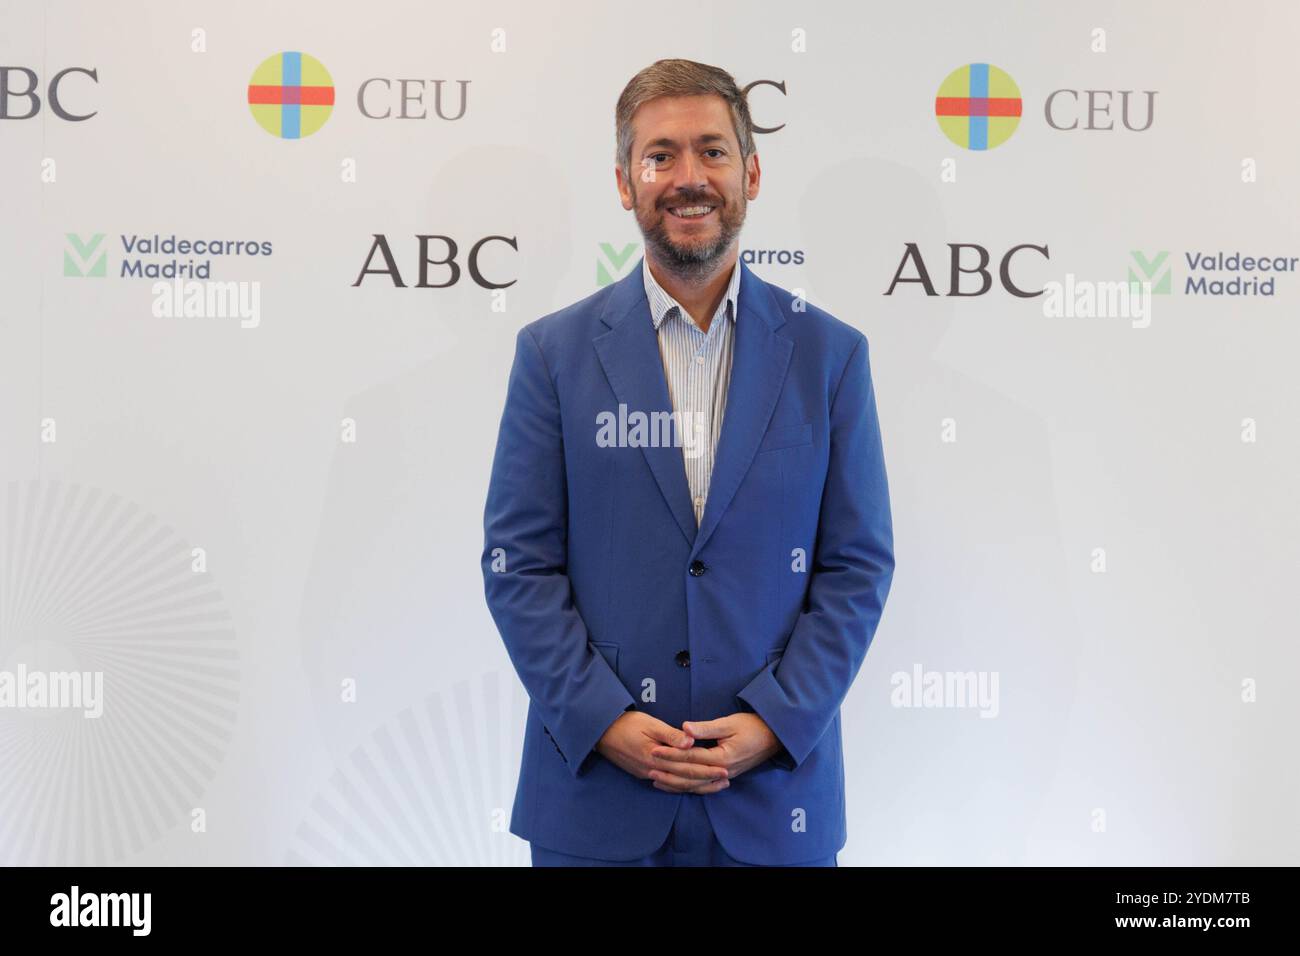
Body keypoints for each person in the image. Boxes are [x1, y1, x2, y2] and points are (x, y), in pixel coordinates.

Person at [481, 58, 894, 866]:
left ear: (751, 172)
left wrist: (777, 720)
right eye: (660, 155)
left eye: (711, 150)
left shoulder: (829, 355)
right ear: (625, 183)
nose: (688, 177)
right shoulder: (552, 355)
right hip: (595, 801)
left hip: (775, 806)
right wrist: (604, 719)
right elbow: (518, 565)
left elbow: (857, 565)